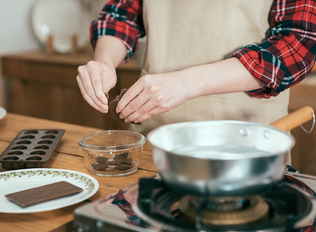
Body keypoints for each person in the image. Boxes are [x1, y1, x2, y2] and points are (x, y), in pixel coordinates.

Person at [76, 0, 316, 135]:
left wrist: (185, 83)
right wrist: (105, 62)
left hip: (247, 141)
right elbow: (120, 16)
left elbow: (297, 45)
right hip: (155, 136)